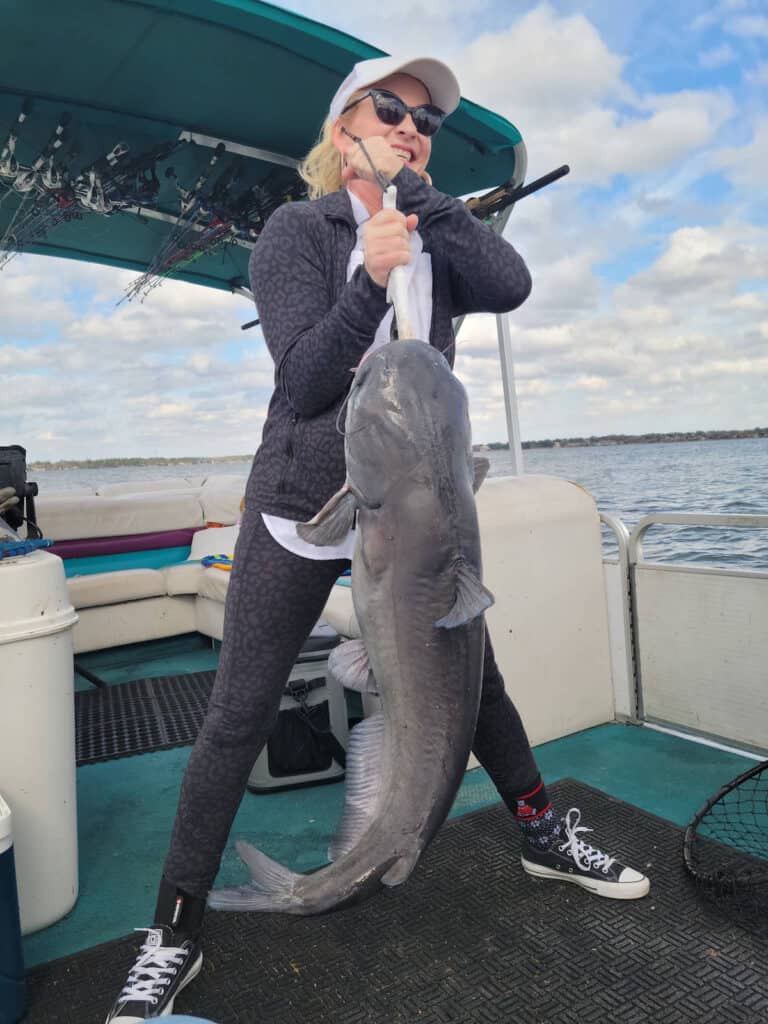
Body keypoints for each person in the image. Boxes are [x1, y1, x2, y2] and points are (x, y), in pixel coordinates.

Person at [105, 55, 649, 1024]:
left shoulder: (443, 238)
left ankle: (538, 830)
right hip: (303, 513)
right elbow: (306, 380)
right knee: (238, 713)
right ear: (340, 126)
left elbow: (512, 283)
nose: (413, 125)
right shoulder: (297, 232)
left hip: (419, 519)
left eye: (427, 121)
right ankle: (175, 927)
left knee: (480, 688)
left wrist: (429, 208)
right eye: (390, 109)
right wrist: (372, 277)